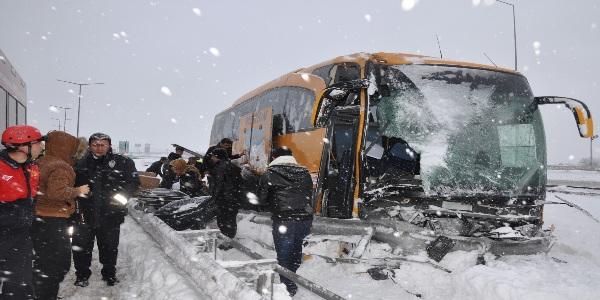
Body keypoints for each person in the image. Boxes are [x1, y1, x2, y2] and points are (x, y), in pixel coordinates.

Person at [71, 132, 140, 287]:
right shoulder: (79, 163)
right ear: (89, 146)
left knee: (109, 246)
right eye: (95, 144)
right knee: (81, 247)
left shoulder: (122, 163)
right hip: (84, 213)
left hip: (110, 214)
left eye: (103, 144)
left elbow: (133, 183)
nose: (99, 147)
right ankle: (82, 275)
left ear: (109, 145)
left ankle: (109, 273)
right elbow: (70, 185)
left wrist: (119, 199)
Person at [32, 131, 90, 300]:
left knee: (43, 261)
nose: (75, 155)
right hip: (52, 220)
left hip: (39, 217)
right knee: (59, 263)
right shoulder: (61, 166)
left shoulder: (41, 161)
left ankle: (41, 292)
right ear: (67, 149)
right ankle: (45, 295)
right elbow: (57, 192)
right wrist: (79, 190)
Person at [257, 147, 313, 296]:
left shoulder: (269, 174)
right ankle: (291, 278)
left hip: (284, 219)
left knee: (284, 253)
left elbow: (261, 200)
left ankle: (287, 287)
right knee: (296, 250)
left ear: (274, 157)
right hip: (304, 219)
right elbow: (308, 194)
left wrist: (272, 205)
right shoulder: (304, 172)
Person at [0, 125, 44, 299]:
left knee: (20, 283)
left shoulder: (32, 167)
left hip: (21, 236)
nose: (41, 146)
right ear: (22, 146)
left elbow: (32, 197)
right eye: (37, 143)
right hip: (4, 231)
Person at [210, 148, 239, 239]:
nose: (212, 158)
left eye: (213, 156)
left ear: (218, 156)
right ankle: (229, 237)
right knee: (230, 219)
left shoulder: (221, 167)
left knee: (223, 220)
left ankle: (226, 239)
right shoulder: (231, 165)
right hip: (232, 198)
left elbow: (219, 185)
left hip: (224, 198)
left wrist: (214, 199)